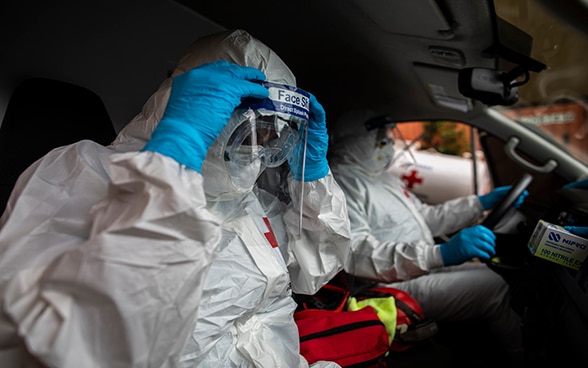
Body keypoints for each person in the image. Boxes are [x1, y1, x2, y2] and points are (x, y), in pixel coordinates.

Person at [0, 29, 351, 368]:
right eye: (253, 131)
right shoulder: (82, 173)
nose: (259, 150)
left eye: (272, 135)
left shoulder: (247, 201)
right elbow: (75, 345)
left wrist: (313, 176)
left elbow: (314, 270)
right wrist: (177, 154)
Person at [327, 109, 528, 362]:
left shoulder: (381, 178)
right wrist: (437, 254)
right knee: (494, 288)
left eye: (388, 134)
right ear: (354, 139)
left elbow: (426, 217)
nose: (388, 142)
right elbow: (356, 252)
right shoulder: (340, 183)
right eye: (379, 135)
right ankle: (526, 358)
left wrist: (480, 203)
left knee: (497, 273)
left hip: (417, 268)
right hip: (384, 286)